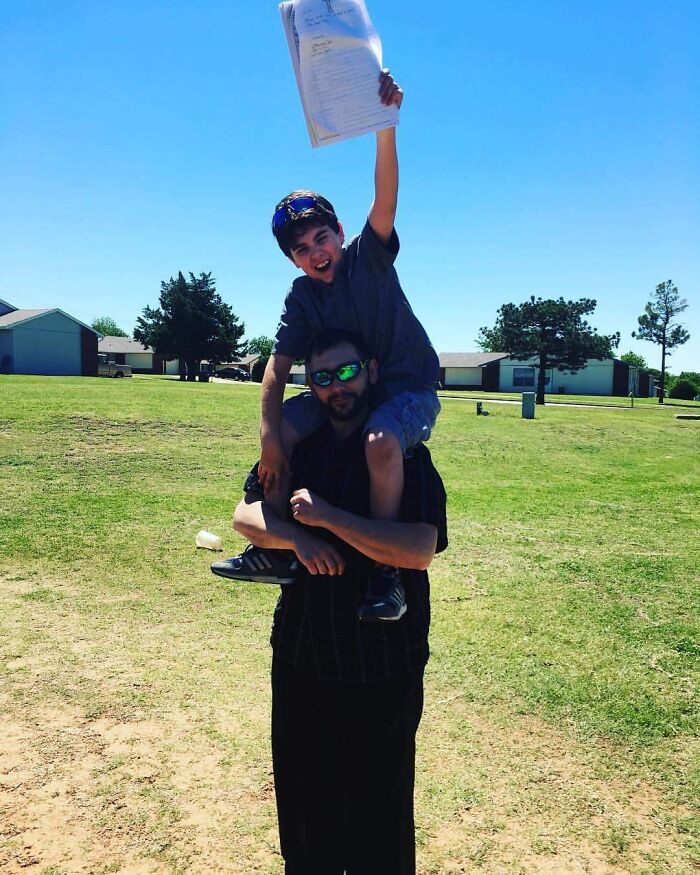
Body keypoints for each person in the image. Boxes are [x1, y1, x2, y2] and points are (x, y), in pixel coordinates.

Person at [214, 329, 447, 874]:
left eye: (346, 372)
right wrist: (298, 538)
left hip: (382, 662)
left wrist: (329, 518)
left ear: (370, 371)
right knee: (305, 815)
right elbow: (246, 516)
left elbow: (419, 549)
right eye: (322, 377)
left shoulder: (404, 453)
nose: (337, 386)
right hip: (304, 654)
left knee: (379, 818)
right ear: (311, 385)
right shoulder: (300, 448)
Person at [213, 70, 441, 622]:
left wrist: (386, 124)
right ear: (291, 260)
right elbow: (275, 372)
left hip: (403, 387)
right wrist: (270, 441)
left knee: (381, 440)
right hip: (341, 389)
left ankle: (387, 576)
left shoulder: (367, 260)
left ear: (339, 231)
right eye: (301, 249)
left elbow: (385, 197)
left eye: (321, 237)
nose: (316, 252)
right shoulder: (301, 298)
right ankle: (276, 548)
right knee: (286, 432)